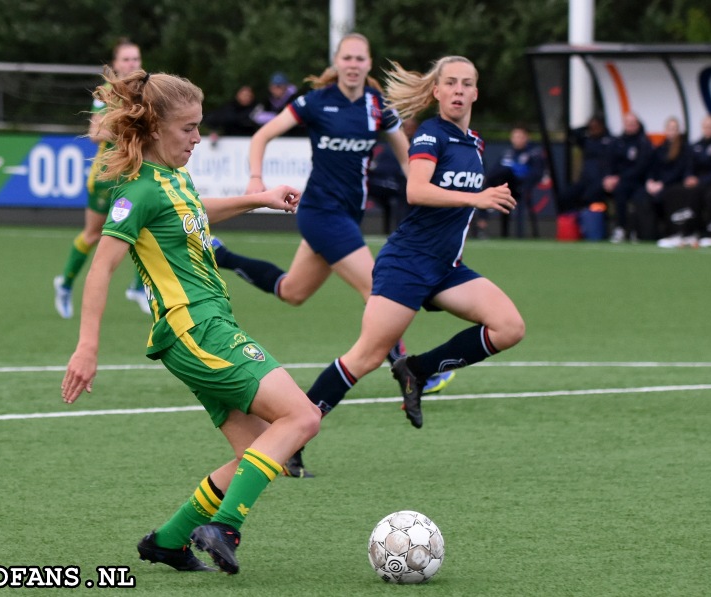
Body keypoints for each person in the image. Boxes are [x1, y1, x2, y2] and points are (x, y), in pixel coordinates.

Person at [60, 69, 321, 575]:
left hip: (198, 331)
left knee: (256, 450)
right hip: (198, 330)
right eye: (188, 128)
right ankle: (224, 527)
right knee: (302, 418)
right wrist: (86, 346)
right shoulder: (136, 193)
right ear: (155, 128)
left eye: (199, 127)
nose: (198, 138)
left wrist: (258, 198)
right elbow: (102, 267)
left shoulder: (173, 179)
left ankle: (169, 541)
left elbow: (194, 210)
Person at [212, 34, 456, 441]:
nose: (354, 64)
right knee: (378, 286)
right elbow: (261, 136)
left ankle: (223, 255)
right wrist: (256, 179)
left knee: (292, 291)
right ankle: (409, 372)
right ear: (337, 62)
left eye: (361, 58)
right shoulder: (314, 101)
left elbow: (407, 156)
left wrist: (432, 189)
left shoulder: (377, 107)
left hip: (346, 218)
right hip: (319, 213)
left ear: (368, 63)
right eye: (347, 58)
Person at [294, 56, 525, 474]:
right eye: (449, 83)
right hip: (407, 264)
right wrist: (478, 198)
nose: (457, 90)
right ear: (436, 92)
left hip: (445, 268)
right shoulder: (430, 135)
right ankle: (293, 434)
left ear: (475, 92)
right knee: (363, 358)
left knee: (509, 326)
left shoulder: (474, 142)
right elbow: (417, 190)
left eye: (466, 84)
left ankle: (416, 369)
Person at [53, 38, 150, 318]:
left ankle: (137, 288)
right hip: (108, 174)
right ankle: (66, 283)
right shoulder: (105, 92)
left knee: (147, 227)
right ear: (116, 64)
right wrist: (129, 130)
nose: (132, 64)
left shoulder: (146, 91)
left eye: (136, 59)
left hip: (134, 172)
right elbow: (96, 133)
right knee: (93, 234)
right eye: (127, 59)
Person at [657, 114, 711, 248]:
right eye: (706, 127)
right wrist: (689, 177)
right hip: (697, 184)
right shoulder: (696, 146)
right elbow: (690, 166)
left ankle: (709, 233)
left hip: (709, 183)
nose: (708, 129)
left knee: (707, 195)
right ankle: (680, 232)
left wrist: (700, 180)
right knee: (674, 192)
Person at [630, 116, 688, 241]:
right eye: (669, 128)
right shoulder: (660, 148)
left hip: (672, 185)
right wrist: (650, 181)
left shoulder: (684, 149)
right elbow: (652, 168)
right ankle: (645, 233)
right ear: (665, 130)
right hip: (657, 185)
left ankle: (667, 231)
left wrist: (662, 183)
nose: (672, 131)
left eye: (674, 129)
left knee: (664, 196)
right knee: (640, 196)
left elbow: (679, 171)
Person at [483, 124, 545, 238]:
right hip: (506, 187)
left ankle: (520, 234)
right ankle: (483, 220)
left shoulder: (533, 153)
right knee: (500, 173)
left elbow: (537, 173)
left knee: (505, 170)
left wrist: (526, 185)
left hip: (521, 186)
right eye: (515, 136)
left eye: (520, 136)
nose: (517, 139)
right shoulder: (507, 153)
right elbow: (495, 170)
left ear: (527, 137)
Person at [602, 112, 653, 243]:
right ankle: (621, 228)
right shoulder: (617, 142)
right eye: (627, 123)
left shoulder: (643, 143)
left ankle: (636, 231)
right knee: (618, 193)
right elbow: (609, 162)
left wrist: (620, 178)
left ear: (637, 125)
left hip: (639, 181)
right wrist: (608, 177)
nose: (630, 126)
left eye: (633, 124)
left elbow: (641, 167)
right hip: (620, 182)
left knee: (639, 198)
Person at [367, 117, 418, 234]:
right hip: (385, 182)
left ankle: (404, 228)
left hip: (403, 184)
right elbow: (382, 167)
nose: (408, 130)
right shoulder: (390, 147)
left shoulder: (420, 144)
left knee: (405, 191)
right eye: (406, 127)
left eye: (411, 127)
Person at [557, 114, 612, 213]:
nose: (594, 129)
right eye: (591, 127)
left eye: (596, 126)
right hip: (585, 179)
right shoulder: (588, 140)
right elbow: (573, 133)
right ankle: (574, 220)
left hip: (601, 180)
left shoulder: (609, 141)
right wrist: (586, 127)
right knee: (565, 196)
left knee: (589, 197)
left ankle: (594, 222)